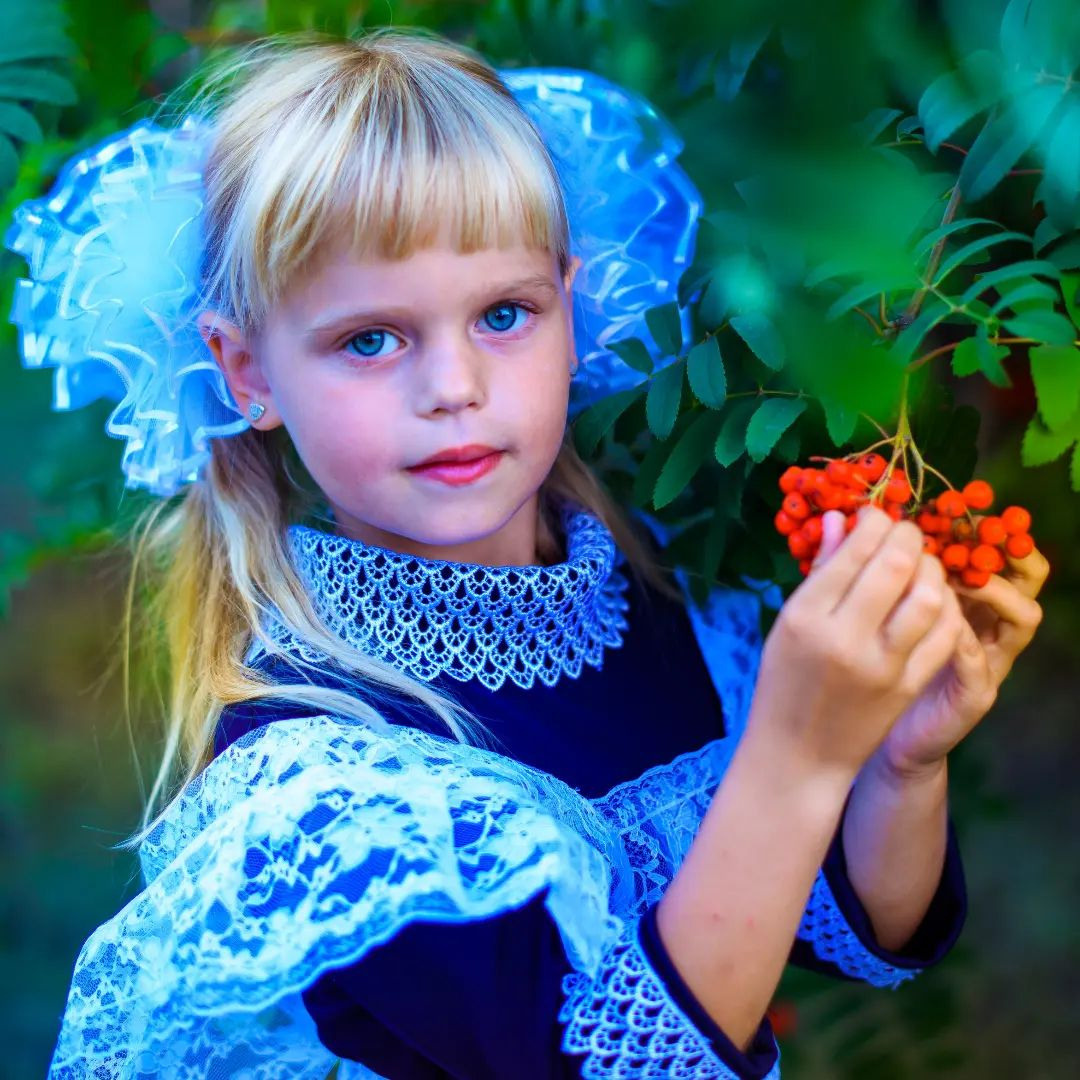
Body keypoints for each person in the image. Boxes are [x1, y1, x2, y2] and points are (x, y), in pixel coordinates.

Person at [8, 28, 1048, 1080]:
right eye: (371, 338)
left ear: (572, 301)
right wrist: (801, 748)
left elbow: (844, 920)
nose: (453, 386)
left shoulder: (659, 600)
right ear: (247, 371)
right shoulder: (313, 774)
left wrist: (899, 763)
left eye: (505, 314)